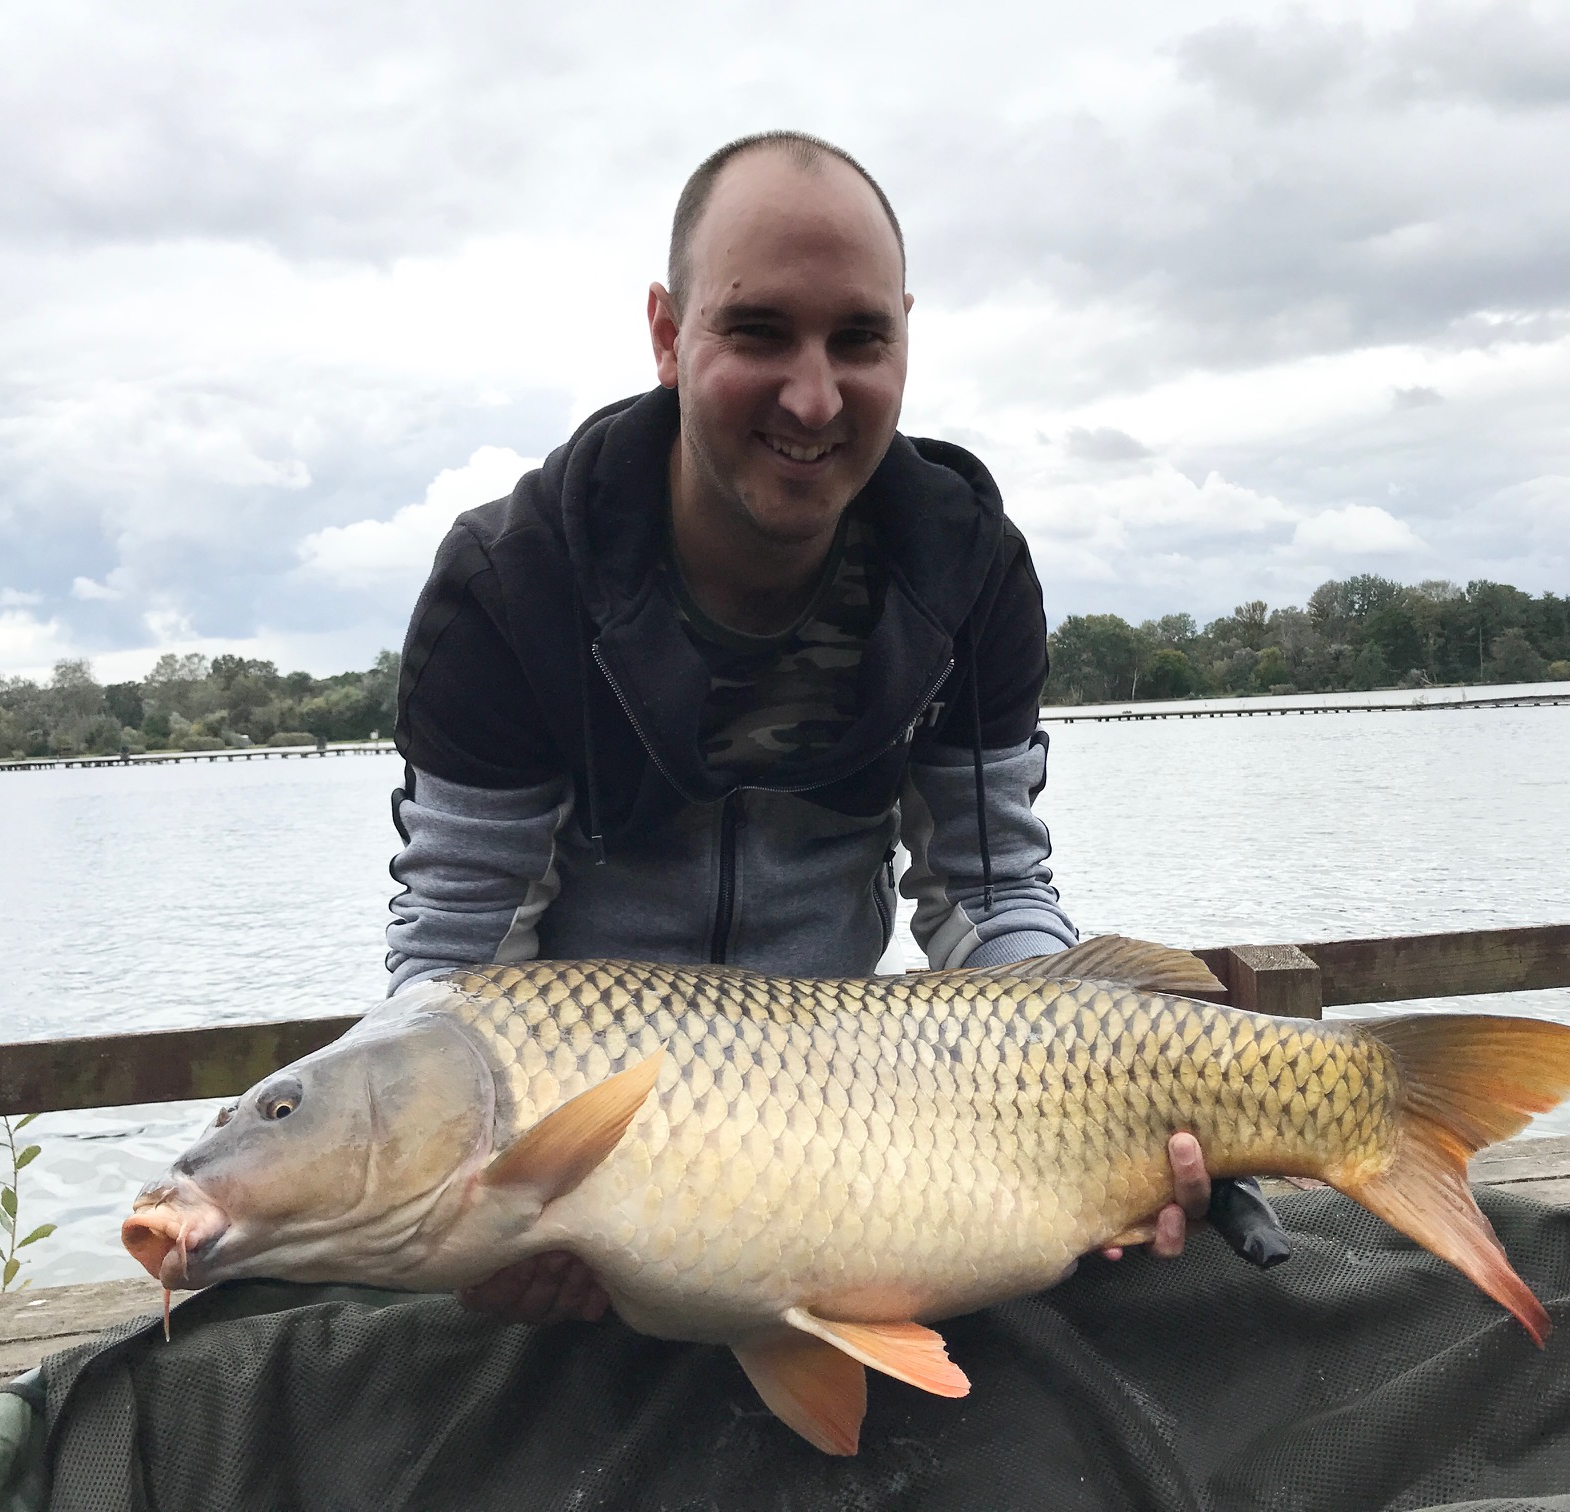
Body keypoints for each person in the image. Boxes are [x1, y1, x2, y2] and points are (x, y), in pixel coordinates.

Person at [386, 130, 1214, 1324]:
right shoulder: (511, 586)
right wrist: (497, 1200)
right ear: (668, 334)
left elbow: (991, 897)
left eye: (860, 340)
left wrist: (1107, 1099)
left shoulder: (964, 565)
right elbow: (457, 972)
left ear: (906, 336)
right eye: (760, 331)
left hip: (849, 1137)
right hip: (591, 1164)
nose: (815, 397)